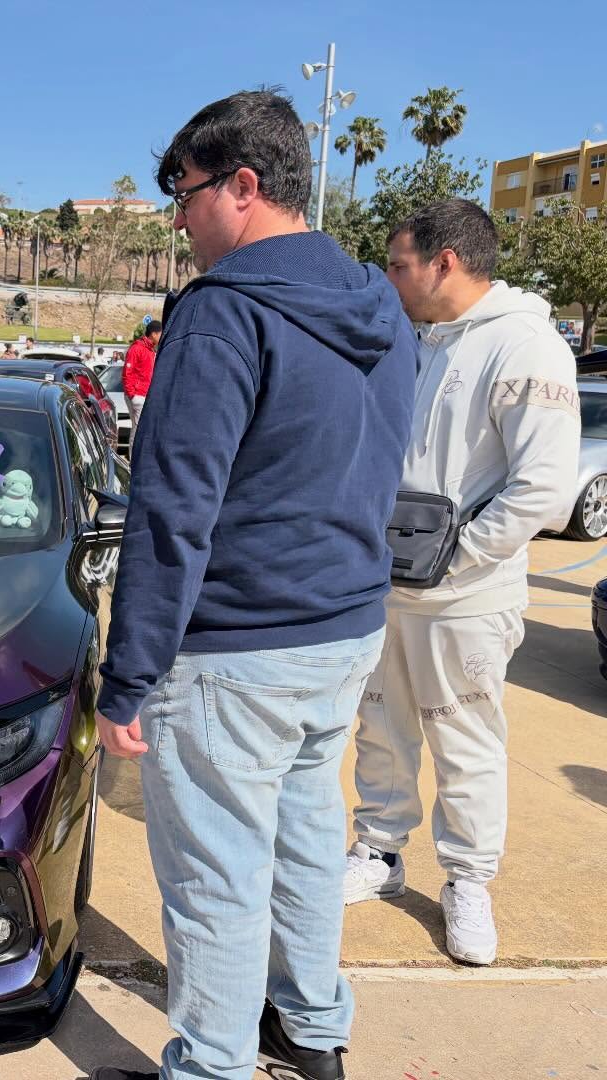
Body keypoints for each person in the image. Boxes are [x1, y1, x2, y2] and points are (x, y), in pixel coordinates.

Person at [91, 90, 416, 1080]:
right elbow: (384, 466)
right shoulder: (382, 308)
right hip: (344, 631)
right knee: (309, 847)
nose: (178, 218)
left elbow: (173, 509)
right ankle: (314, 1036)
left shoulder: (222, 316)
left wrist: (128, 675)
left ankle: (213, 1069)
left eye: (184, 194)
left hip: (235, 649)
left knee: (216, 881)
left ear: (243, 186)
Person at [345, 199, 580, 966]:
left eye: (400, 262)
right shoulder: (425, 342)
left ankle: (469, 881)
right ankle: (379, 851)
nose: (390, 276)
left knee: (466, 740)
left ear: (445, 261)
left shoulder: (526, 346)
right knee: (380, 725)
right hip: (392, 583)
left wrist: (460, 554)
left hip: (466, 595)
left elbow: (541, 488)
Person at [123, 320, 162, 457]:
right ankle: (134, 460)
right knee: (138, 429)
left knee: (140, 428)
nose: (161, 337)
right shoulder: (137, 348)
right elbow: (127, 373)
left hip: (144, 395)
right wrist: (132, 394)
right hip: (138, 396)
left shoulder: (150, 350)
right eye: (160, 334)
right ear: (154, 334)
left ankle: (137, 459)